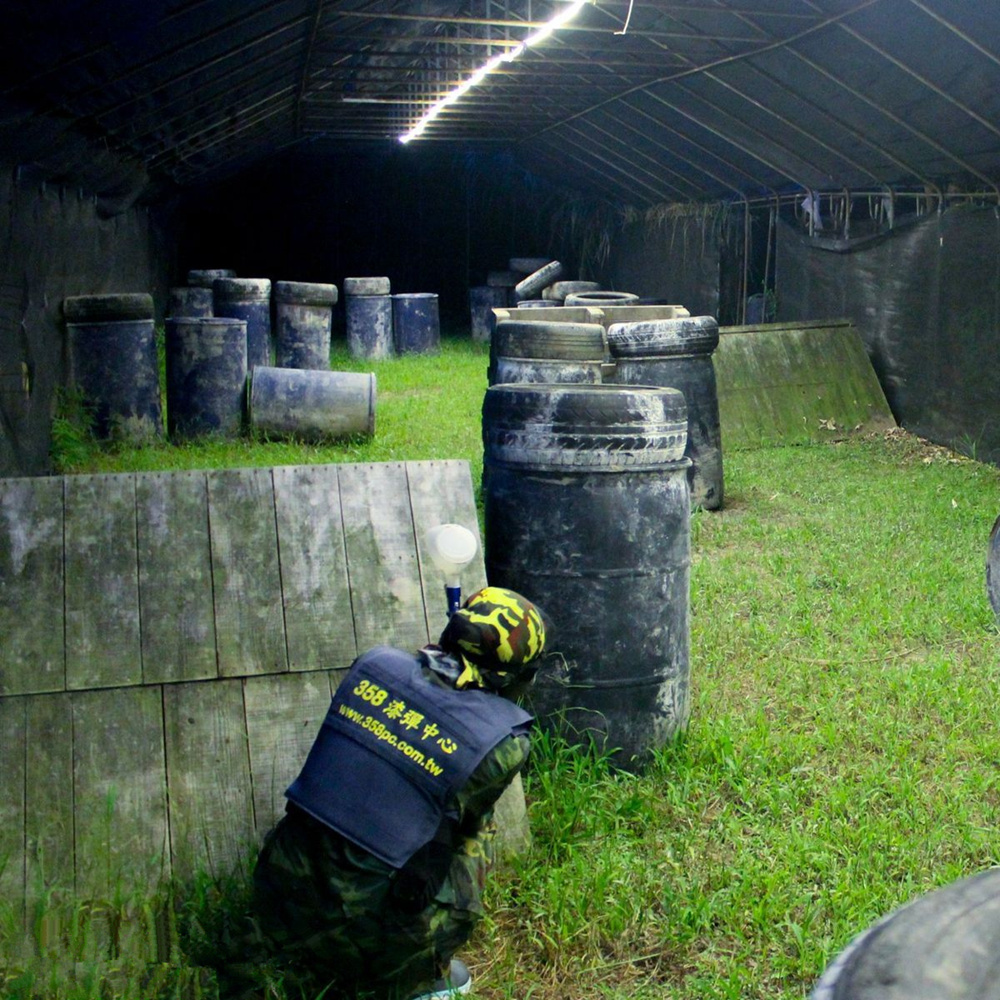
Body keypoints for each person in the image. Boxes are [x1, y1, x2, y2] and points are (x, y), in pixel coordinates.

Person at [249, 586, 547, 1000]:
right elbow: (454, 822)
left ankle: (307, 948)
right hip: (374, 944)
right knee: (477, 829)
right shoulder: (503, 743)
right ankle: (423, 975)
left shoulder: (374, 663)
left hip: (280, 894)